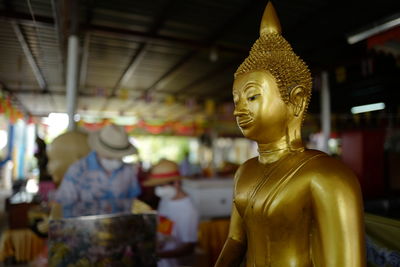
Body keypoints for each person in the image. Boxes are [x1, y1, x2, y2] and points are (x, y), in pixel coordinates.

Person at [215, 3, 365, 267]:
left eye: (251, 97)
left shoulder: (327, 176)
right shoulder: (244, 172)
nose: (238, 111)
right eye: (236, 99)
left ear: (295, 100)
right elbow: (236, 241)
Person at [54, 124, 141, 218]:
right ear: (99, 150)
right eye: (110, 156)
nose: (115, 160)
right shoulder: (78, 170)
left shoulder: (127, 170)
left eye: (119, 157)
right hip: (85, 228)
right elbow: (65, 204)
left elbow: (132, 200)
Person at [144, 159, 199, 267]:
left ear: (176, 183)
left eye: (161, 186)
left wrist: (157, 255)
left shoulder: (188, 210)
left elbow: (189, 248)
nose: (158, 190)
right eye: (157, 186)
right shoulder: (166, 199)